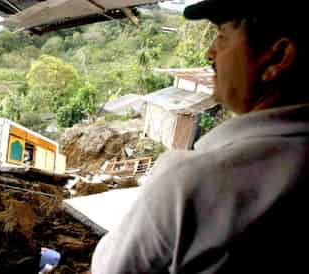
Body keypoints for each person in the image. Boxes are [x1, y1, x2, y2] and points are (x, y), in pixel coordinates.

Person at [91, 0, 309, 273]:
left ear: (277, 57)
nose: (209, 53)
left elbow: (111, 268)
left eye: (222, 36)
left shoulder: (190, 184)